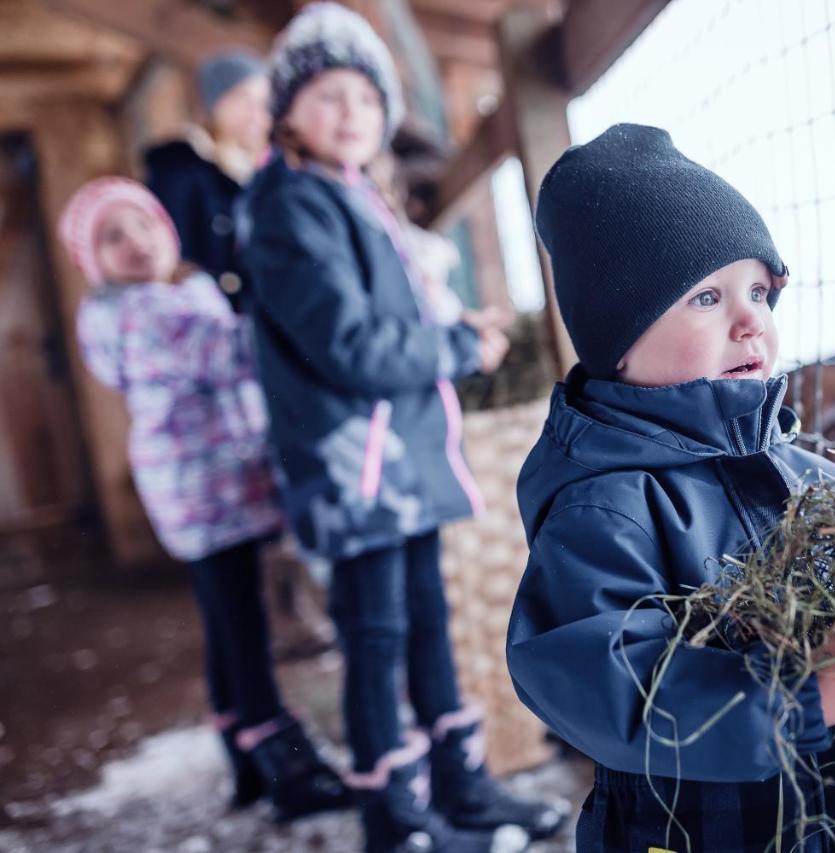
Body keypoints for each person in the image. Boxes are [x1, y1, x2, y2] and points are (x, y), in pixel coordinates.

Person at [507, 124, 835, 852]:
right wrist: (817, 693)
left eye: (759, 289)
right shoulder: (606, 505)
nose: (751, 317)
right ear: (619, 339)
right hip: (698, 831)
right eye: (706, 296)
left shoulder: (810, 477)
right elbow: (611, 687)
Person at [237, 5, 567, 852]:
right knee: (377, 634)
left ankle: (460, 789)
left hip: (397, 459)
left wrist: (454, 320)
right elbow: (350, 346)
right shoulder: (287, 205)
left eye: (366, 96)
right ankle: (395, 815)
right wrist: (460, 344)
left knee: (425, 621)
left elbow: (386, 314)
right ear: (286, 113)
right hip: (356, 465)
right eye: (328, 94)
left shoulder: (345, 194)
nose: (352, 112)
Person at [59, 177, 351, 821]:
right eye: (113, 236)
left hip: (213, 488)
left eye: (145, 224)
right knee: (243, 626)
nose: (136, 242)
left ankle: (243, 755)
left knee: (227, 625)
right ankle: (284, 763)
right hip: (206, 492)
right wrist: (302, 314)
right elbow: (231, 354)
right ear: (93, 262)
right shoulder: (142, 314)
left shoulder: (171, 299)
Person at [145, 49, 271, 313]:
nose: (255, 113)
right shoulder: (180, 168)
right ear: (215, 103)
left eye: (263, 102)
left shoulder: (267, 168)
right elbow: (175, 257)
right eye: (242, 98)